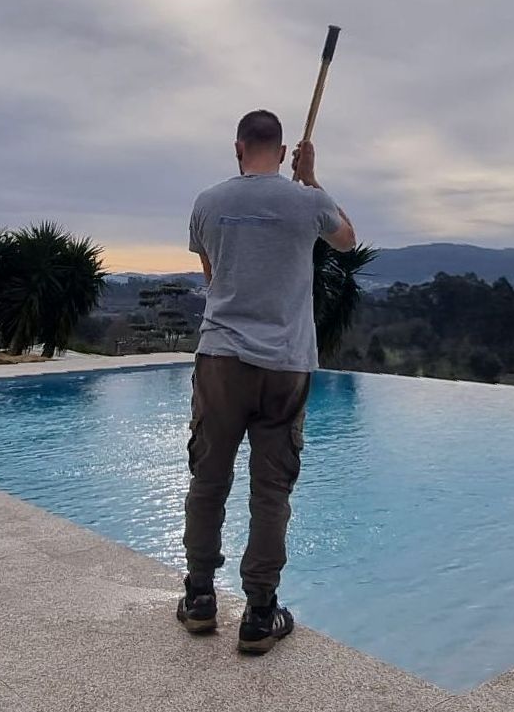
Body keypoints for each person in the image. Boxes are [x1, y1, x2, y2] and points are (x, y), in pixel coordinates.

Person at [175, 108, 356, 654]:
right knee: (271, 490)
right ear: (282, 153)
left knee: (208, 479)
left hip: (221, 359)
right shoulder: (307, 202)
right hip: (285, 363)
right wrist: (312, 180)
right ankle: (259, 612)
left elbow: (213, 277)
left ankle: (200, 597)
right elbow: (347, 240)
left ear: (238, 149)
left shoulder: (207, 202)